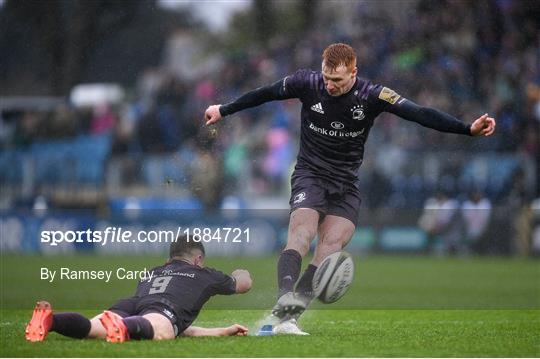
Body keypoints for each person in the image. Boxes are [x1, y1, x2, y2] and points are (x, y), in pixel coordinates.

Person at [204, 43, 496, 335]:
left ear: (354, 72)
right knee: (302, 233)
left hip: (346, 183)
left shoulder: (373, 95)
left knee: (330, 248)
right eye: (327, 78)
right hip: (310, 174)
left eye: (338, 80)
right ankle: (284, 301)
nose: (330, 85)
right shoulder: (306, 82)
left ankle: (287, 317)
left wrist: (466, 128)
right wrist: (224, 109)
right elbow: (264, 93)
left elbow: (418, 113)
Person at [25, 235, 252, 342]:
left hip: (132, 305)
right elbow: (243, 285)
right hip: (161, 308)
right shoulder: (204, 274)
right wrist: (241, 273)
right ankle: (124, 327)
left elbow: (183, 330)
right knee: (162, 331)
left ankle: (51, 320)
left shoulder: (152, 272)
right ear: (198, 259)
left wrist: (221, 331)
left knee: (94, 328)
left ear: (169, 259)